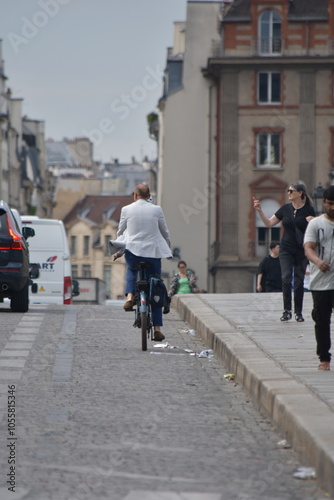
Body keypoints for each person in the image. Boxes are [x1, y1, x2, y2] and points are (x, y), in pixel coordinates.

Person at [116, 184, 172, 342]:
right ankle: (157, 329)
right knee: (155, 285)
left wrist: (119, 249)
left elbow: (120, 232)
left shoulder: (126, 209)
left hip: (133, 252)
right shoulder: (156, 209)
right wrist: (167, 248)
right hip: (152, 253)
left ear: (135, 195)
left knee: (132, 270)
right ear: (149, 196)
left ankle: (129, 297)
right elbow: (164, 231)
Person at [253, 181, 315, 322]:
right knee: (286, 278)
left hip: (301, 249)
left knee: (298, 281)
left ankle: (298, 312)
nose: (288, 193)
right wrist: (259, 210)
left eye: (291, 191)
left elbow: (316, 228)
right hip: (286, 249)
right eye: (288, 191)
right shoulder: (284, 209)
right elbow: (269, 223)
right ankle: (287, 310)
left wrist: (313, 221)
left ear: (300, 193)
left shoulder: (309, 210)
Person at [304, 185, 334, 371]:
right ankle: (324, 358)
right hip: (321, 282)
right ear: (324, 203)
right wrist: (317, 261)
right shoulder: (315, 224)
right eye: (330, 204)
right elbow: (308, 248)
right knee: (322, 320)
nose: (333, 208)